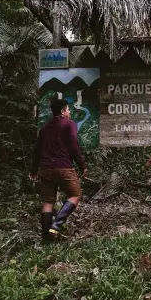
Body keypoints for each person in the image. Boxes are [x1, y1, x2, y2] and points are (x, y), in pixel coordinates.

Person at [29, 99, 87, 241]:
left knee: (48, 201)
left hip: (45, 169)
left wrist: (34, 169)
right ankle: (55, 226)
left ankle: (45, 237)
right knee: (75, 194)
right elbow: (74, 147)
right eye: (68, 109)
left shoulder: (44, 127)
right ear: (62, 111)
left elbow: (37, 150)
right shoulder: (69, 124)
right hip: (63, 167)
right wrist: (82, 166)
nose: (69, 112)